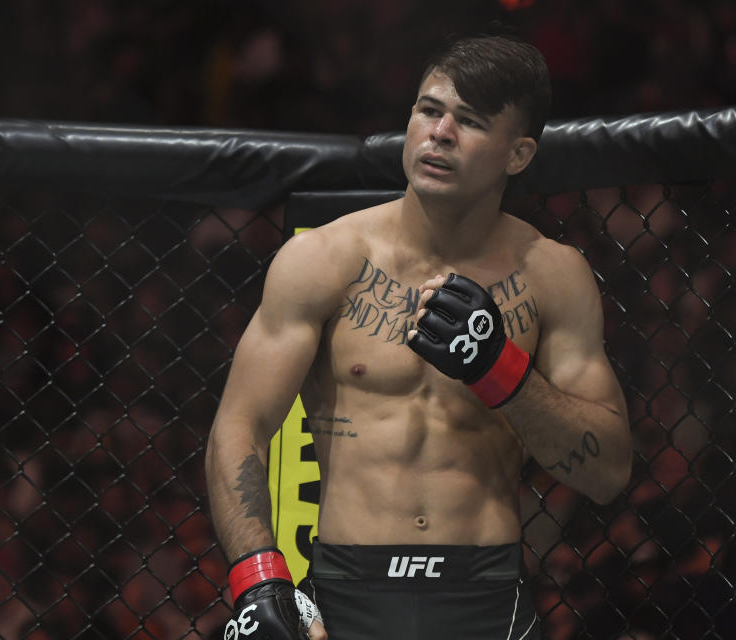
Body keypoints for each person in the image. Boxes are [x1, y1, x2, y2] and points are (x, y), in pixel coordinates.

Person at [205, 34, 632, 640]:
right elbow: (237, 425)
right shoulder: (322, 259)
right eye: (429, 110)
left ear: (517, 154)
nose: (440, 134)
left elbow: (608, 471)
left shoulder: (552, 275)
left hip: (485, 597)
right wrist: (258, 579)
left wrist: (500, 371)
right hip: (346, 592)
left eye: (471, 122)